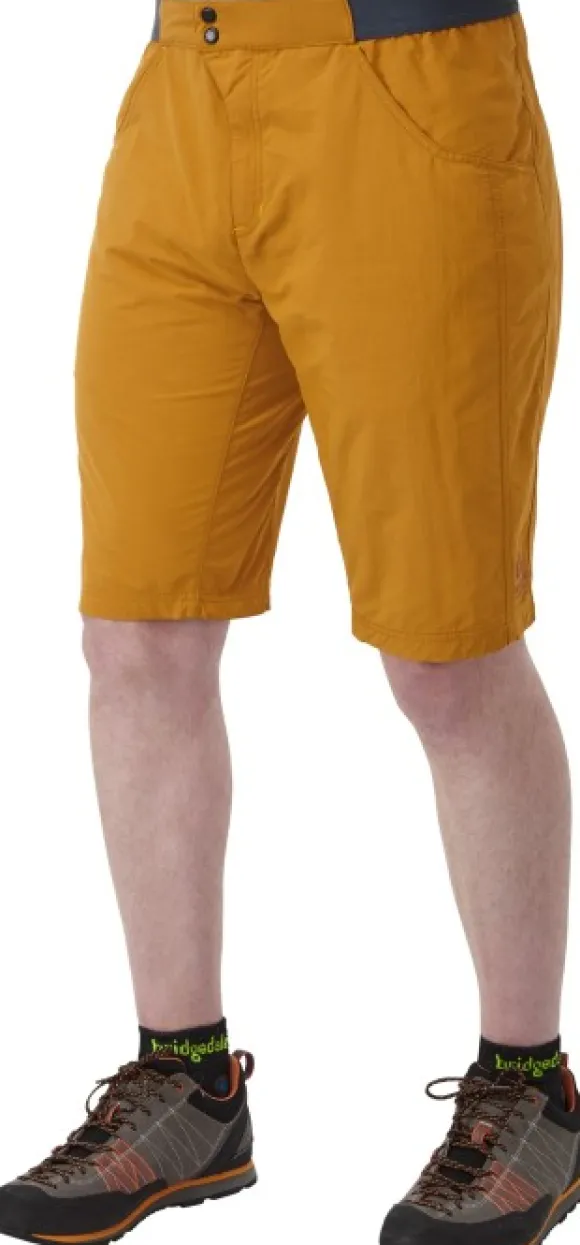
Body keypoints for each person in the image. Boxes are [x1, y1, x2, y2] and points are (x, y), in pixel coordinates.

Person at [0, 0, 576, 1242]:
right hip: (184, 86)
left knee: (446, 646)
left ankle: (530, 1086)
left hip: (405, 79)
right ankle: (187, 1084)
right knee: (137, 632)